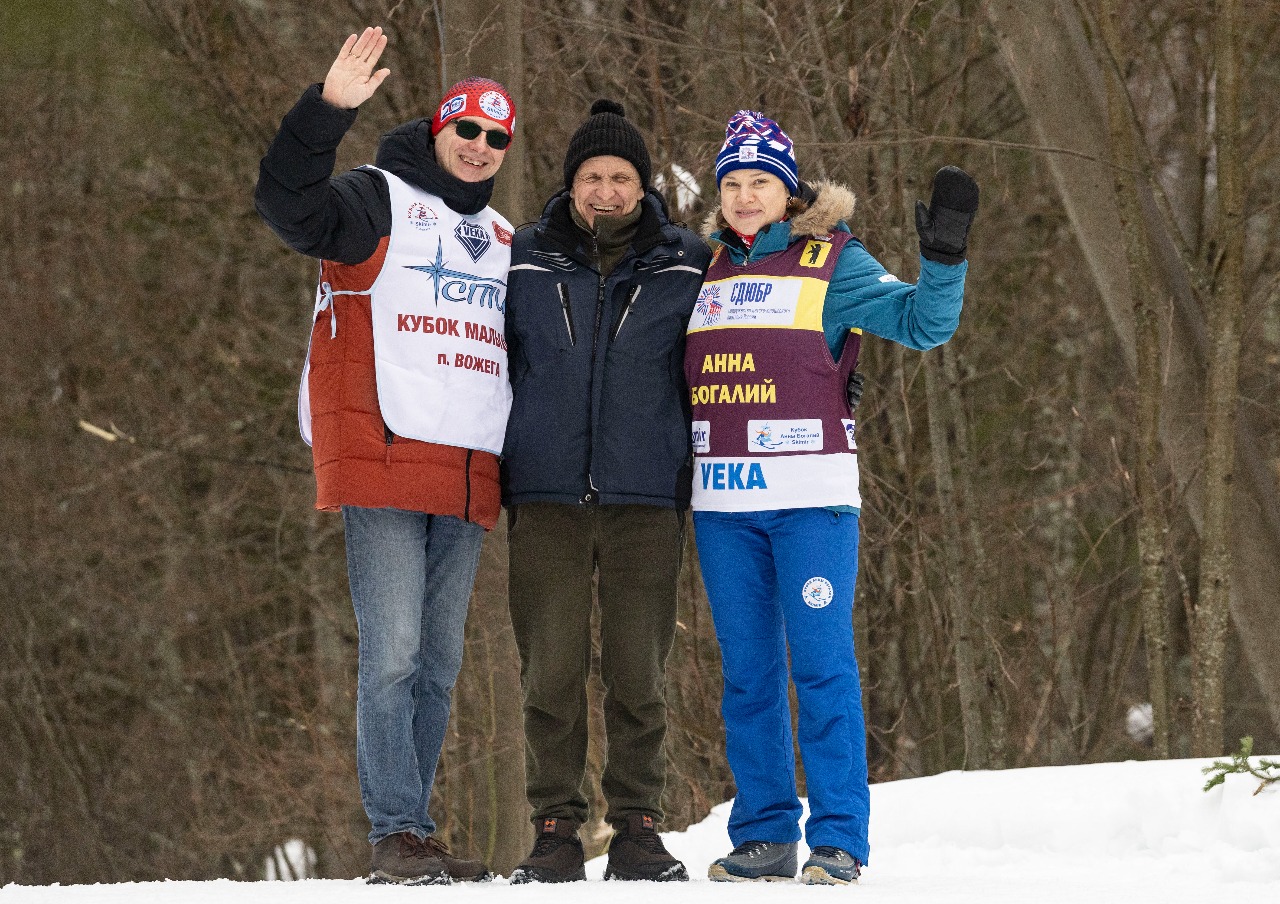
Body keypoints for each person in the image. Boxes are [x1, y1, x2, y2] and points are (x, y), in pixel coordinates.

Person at [254, 26, 517, 885]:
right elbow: (289, 205)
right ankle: (394, 831)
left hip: (471, 469)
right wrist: (326, 109)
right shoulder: (378, 198)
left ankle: (419, 831)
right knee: (394, 651)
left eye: (496, 137)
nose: (479, 147)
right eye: (466, 129)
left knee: (439, 666)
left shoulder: (511, 240)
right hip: (385, 450)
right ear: (439, 130)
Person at [686, 110, 977, 885]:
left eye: (761, 183)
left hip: (811, 501)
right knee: (747, 675)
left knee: (819, 667)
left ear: (788, 192)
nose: (746, 197)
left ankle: (840, 837)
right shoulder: (704, 267)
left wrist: (943, 257)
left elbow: (922, 324)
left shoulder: (831, 261)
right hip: (722, 506)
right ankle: (765, 833)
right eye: (733, 183)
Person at [501, 100, 711, 883]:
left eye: (621, 176)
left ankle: (637, 829)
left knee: (638, 673)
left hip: (645, 497)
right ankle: (556, 828)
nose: (606, 190)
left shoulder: (687, 261)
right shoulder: (521, 255)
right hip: (546, 495)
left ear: (643, 185)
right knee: (548, 671)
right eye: (592, 175)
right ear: (571, 183)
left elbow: (744, 344)